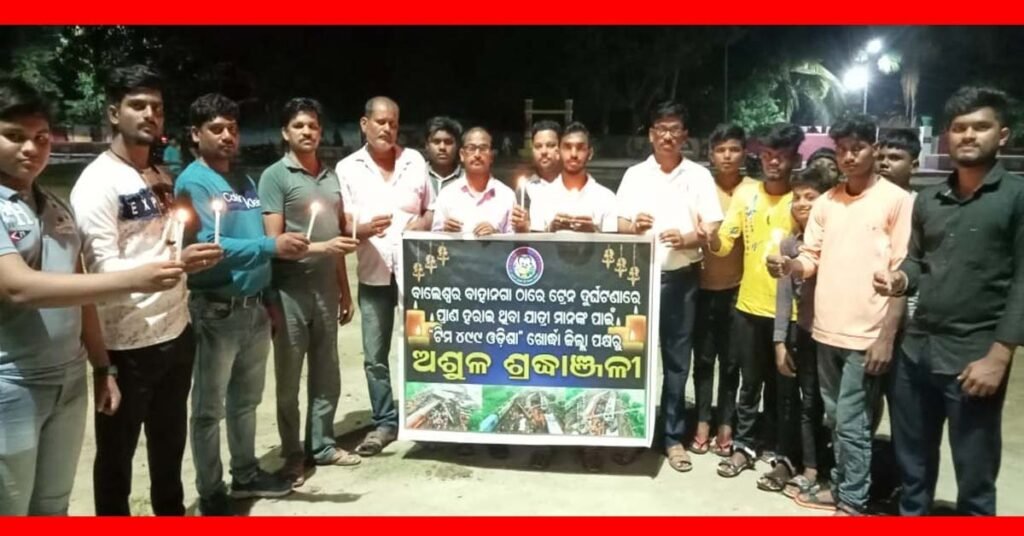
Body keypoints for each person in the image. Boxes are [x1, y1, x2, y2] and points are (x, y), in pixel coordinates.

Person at [0, 77, 185, 516]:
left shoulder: (53, 205)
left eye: (41, 137)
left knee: (52, 505)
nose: (31, 148)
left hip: (68, 378)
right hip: (12, 382)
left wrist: (102, 366)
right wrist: (137, 278)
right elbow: (18, 287)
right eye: (14, 136)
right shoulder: (88, 186)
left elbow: (79, 289)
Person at [70, 64, 222, 516]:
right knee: (116, 458)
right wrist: (175, 264)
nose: (149, 114)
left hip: (176, 331)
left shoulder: (159, 174)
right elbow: (101, 270)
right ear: (113, 113)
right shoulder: (97, 183)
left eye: (156, 106)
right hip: (126, 343)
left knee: (170, 446)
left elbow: (166, 244)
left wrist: (187, 258)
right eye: (137, 105)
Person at [878, 87, 1021, 516]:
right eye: (959, 128)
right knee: (913, 470)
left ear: (1003, 135)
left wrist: (999, 356)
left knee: (975, 478)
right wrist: (901, 278)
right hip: (915, 354)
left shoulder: (1015, 198)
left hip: (973, 358)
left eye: (981, 126)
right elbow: (917, 260)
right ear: (947, 137)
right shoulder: (929, 199)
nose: (969, 135)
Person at [767, 115, 912, 515]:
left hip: (868, 334)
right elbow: (810, 257)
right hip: (825, 330)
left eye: (857, 148)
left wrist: (886, 336)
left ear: (873, 149)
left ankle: (852, 501)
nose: (849, 157)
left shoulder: (896, 201)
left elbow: (903, 272)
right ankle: (843, 486)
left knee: (852, 422)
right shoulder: (827, 202)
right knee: (836, 419)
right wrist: (790, 266)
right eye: (843, 149)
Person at [175, 93, 308, 515]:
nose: (227, 136)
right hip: (216, 309)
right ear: (195, 134)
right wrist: (271, 246)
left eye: (232, 128)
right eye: (216, 129)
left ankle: (246, 474)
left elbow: (249, 239)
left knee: (246, 401)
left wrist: (267, 299)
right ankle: (211, 490)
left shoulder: (243, 181)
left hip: (253, 308)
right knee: (208, 409)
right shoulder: (194, 182)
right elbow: (207, 246)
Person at [258, 98, 361, 488]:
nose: (307, 132)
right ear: (285, 132)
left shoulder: (331, 178)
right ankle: (292, 454)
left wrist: (344, 290)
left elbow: (337, 238)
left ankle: (322, 444)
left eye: (313, 126)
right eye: (299, 125)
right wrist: (323, 248)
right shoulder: (275, 177)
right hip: (289, 292)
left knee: (327, 372)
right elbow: (274, 241)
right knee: (288, 379)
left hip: (325, 290)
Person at [617, 101, 723, 473]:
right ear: (650, 134)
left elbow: (712, 227)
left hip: (681, 280)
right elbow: (620, 225)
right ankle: (634, 433)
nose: (667, 135)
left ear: (685, 136)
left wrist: (688, 237)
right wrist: (634, 226)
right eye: (661, 128)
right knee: (633, 360)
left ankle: (672, 437)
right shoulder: (634, 176)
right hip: (638, 282)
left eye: (674, 128)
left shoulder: (698, 176)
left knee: (677, 363)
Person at [337, 96, 433, 457]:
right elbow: (343, 223)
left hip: (416, 277)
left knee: (421, 345)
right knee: (375, 354)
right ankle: (385, 422)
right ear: (365, 124)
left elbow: (431, 210)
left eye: (393, 123)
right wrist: (361, 229)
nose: (387, 129)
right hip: (373, 274)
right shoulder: (348, 169)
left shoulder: (415, 161)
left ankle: (426, 415)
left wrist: (420, 225)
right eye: (380, 122)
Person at [711, 123, 803, 480]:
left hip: (791, 313)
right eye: (767, 155)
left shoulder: (803, 200)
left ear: (795, 158)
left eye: (781, 155)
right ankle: (744, 447)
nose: (773, 162)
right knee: (749, 384)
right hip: (748, 306)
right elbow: (724, 243)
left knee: (786, 389)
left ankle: (784, 456)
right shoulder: (746, 196)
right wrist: (709, 239)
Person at [690, 123, 757, 457]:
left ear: (744, 153)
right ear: (711, 154)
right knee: (703, 359)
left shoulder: (754, 190)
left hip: (738, 289)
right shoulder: (701, 186)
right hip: (701, 287)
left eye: (734, 149)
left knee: (732, 362)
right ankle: (702, 421)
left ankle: (726, 424)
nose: (727, 156)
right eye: (720, 150)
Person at [768, 167, 834, 499]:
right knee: (797, 401)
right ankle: (799, 464)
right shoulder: (789, 244)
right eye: (797, 198)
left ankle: (823, 467)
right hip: (801, 331)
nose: (802, 203)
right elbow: (784, 296)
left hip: (832, 332)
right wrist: (780, 341)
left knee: (824, 404)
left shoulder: (836, 242)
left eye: (811, 197)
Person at [433, 127, 515, 236]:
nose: (477, 154)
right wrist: (446, 232)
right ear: (462, 155)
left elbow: (514, 241)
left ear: (491, 156)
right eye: (471, 148)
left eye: (483, 148)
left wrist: (495, 235)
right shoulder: (447, 195)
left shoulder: (506, 196)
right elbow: (434, 239)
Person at [510, 120, 562, 233]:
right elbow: (522, 231)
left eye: (550, 145)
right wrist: (523, 227)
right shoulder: (525, 188)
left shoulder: (572, 185)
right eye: (538, 146)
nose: (544, 151)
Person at [424, 116, 463, 198]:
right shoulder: (416, 175)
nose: (442, 147)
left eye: (448, 142)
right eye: (436, 142)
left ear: (457, 145)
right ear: (427, 145)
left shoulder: (468, 179)